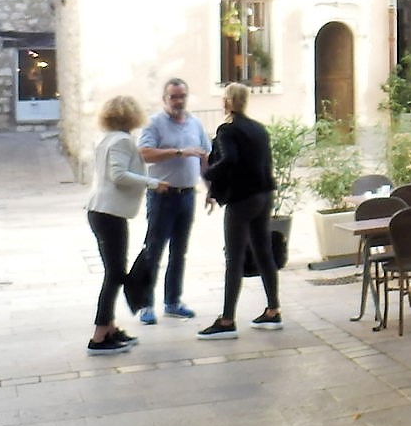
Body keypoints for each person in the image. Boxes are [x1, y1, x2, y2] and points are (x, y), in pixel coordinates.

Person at [197, 82, 283, 339]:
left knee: (234, 257)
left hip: (242, 199)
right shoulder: (259, 129)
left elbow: (230, 159)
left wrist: (208, 173)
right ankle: (273, 309)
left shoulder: (227, 129)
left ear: (227, 102)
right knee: (263, 252)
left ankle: (226, 319)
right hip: (264, 195)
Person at [85, 95, 167, 355]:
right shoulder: (121, 140)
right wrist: (153, 183)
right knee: (114, 274)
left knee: (116, 272)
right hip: (109, 212)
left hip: (101, 211)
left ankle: (109, 328)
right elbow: (118, 175)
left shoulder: (106, 138)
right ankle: (99, 335)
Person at [131, 78, 209, 325]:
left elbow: (205, 157)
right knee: (154, 251)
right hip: (162, 196)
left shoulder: (195, 123)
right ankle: (145, 305)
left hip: (187, 195)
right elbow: (144, 153)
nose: (178, 101)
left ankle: (173, 302)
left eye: (182, 96)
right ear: (164, 99)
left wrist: (211, 189)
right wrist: (179, 152)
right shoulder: (154, 124)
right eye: (173, 97)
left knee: (179, 252)